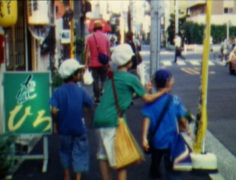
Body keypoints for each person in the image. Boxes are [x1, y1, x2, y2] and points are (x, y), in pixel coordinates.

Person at [93, 44, 170, 180]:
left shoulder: (112, 76)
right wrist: (163, 91)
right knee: (122, 158)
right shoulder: (131, 78)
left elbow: (122, 95)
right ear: (130, 62)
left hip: (99, 118)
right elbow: (148, 99)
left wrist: (142, 92)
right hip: (113, 119)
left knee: (103, 155)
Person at [142, 69, 191, 180]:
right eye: (171, 78)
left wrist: (144, 138)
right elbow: (182, 119)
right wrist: (188, 131)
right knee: (172, 170)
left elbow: (146, 119)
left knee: (155, 166)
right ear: (168, 81)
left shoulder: (151, 101)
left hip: (156, 140)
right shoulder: (175, 100)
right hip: (171, 141)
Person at [50, 59, 93, 180]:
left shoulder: (57, 92)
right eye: (78, 73)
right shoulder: (81, 91)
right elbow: (89, 104)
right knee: (80, 152)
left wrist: (55, 124)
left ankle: (66, 175)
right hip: (79, 128)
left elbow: (53, 110)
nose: (79, 75)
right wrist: (90, 119)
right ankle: (78, 177)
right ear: (74, 75)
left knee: (65, 151)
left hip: (63, 128)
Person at [85, 20, 111, 103]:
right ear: (101, 28)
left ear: (94, 28)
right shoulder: (106, 37)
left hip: (93, 63)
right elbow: (108, 50)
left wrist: (86, 63)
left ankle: (97, 97)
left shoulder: (90, 38)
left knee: (95, 80)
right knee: (103, 79)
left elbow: (87, 52)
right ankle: (102, 89)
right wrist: (108, 61)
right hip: (103, 62)